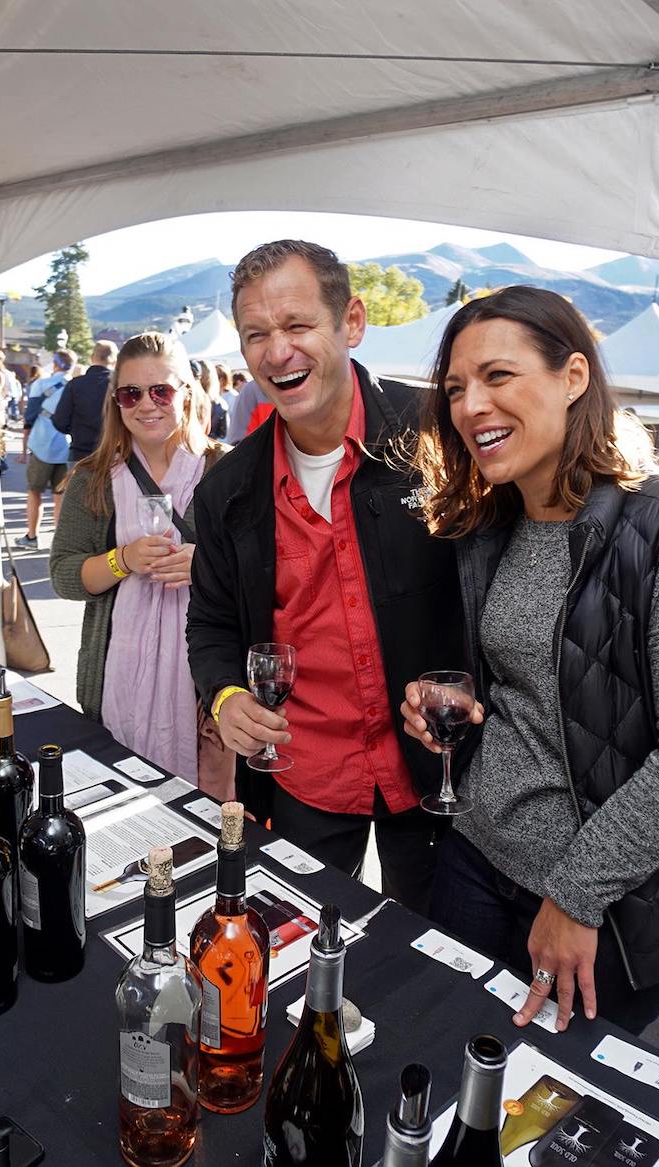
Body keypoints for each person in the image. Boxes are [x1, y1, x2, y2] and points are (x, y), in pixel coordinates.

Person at [398, 286, 659, 1035]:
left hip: (604, 904)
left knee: (552, 1120)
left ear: (573, 377)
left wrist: (576, 895)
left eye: (497, 376)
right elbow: (541, 691)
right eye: (457, 388)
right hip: (473, 854)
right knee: (443, 1063)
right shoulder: (491, 523)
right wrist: (462, 712)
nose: (471, 405)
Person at [186, 240, 464, 913]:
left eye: (297, 325)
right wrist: (225, 699)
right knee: (309, 948)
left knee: (431, 964)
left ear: (353, 323)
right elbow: (211, 622)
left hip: (437, 768)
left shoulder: (436, 434)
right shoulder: (227, 488)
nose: (276, 351)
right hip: (305, 773)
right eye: (256, 333)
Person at [49, 332, 228, 790]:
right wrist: (121, 559)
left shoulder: (227, 470)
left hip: (208, 693)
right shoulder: (92, 478)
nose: (146, 404)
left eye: (161, 390)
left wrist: (204, 566)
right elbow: (64, 576)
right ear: (116, 402)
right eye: (131, 393)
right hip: (115, 684)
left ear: (187, 392)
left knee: (204, 828)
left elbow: (271, 572)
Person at [19, 350, 74, 548]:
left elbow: (30, 416)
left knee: (35, 491)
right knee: (59, 495)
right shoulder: (74, 387)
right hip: (66, 446)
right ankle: (59, 541)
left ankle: (32, 536)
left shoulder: (41, 384)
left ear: (56, 364)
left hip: (41, 444)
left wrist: (24, 447)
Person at [51, 338, 114, 465]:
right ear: (114, 360)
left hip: (80, 453)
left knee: (79, 485)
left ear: (92, 357)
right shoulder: (120, 385)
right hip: (113, 455)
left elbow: (60, 421)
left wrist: (77, 430)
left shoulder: (75, 384)